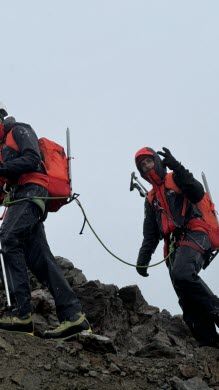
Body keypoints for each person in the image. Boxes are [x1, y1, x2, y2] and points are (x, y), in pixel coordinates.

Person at [0, 102, 90, 338]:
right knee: (40, 260)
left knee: (7, 240)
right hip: (22, 197)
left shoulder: (18, 130)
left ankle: (21, 314)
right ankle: (74, 317)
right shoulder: (2, 145)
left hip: (31, 193)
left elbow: (31, 159)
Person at [135, 146, 219, 347]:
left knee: (183, 274)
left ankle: (216, 309)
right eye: (142, 165)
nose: (147, 166)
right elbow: (151, 234)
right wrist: (143, 260)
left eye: (149, 161)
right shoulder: (151, 199)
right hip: (173, 245)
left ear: (156, 159)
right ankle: (210, 344)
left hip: (196, 231)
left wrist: (177, 166)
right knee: (185, 298)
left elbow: (197, 193)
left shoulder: (175, 178)